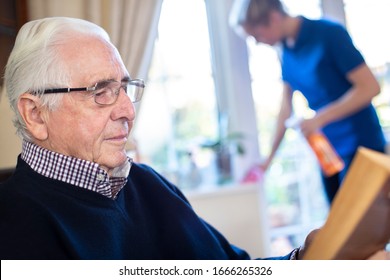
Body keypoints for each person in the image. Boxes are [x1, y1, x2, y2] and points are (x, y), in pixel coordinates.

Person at [0, 17, 387, 260]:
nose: (127, 111)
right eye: (101, 90)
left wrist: (304, 262)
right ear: (35, 114)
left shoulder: (147, 184)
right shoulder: (15, 226)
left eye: (125, 88)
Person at [229, 0, 387, 204]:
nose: (258, 42)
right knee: (336, 221)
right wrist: (269, 159)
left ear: (274, 18)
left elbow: (370, 87)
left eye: (257, 35)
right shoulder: (286, 51)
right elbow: (285, 109)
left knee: (358, 222)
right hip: (328, 150)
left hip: (361, 145)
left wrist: (320, 118)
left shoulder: (329, 34)